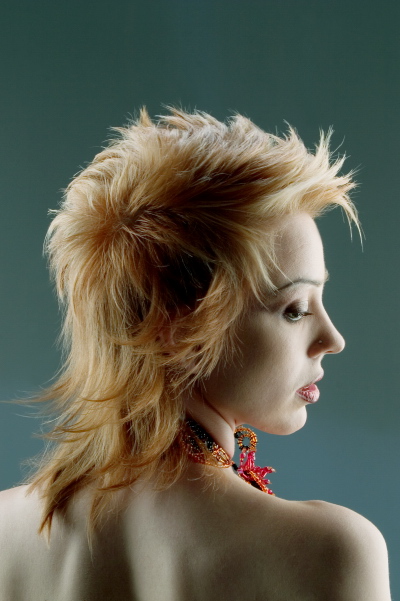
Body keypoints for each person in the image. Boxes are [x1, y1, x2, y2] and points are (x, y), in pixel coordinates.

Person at [0, 108, 392, 600]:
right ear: (177, 326)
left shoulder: (6, 532)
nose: (332, 338)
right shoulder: (332, 550)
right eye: (294, 310)